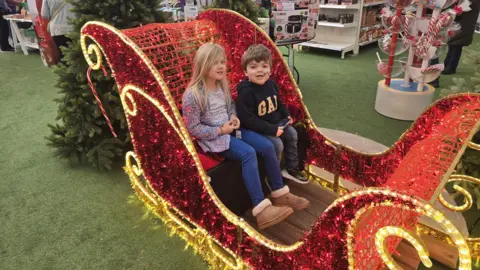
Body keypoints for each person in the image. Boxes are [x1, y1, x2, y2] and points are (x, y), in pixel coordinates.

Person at [182, 43, 309, 230]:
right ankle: (261, 209)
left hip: (232, 130)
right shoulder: (192, 95)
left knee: (266, 146)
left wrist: (233, 117)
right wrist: (219, 131)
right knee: (248, 153)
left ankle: (279, 192)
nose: (220, 66)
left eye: (222, 62)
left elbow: (231, 106)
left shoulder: (221, 86)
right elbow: (193, 128)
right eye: (214, 62)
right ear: (202, 65)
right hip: (216, 139)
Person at [236, 44, 309, 184]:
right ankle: (272, 175)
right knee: (277, 145)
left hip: (274, 124)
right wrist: (272, 130)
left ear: (270, 68)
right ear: (245, 72)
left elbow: (278, 104)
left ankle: (291, 168)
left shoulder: (271, 84)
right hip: (258, 128)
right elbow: (248, 120)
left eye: (264, 66)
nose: (260, 71)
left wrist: (286, 115)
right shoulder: (246, 92)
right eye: (253, 67)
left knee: (292, 134)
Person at [443, 0, 480, 74]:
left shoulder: (472, 1)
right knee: (453, 45)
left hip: (464, 26)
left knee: (456, 46)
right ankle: (447, 65)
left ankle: (450, 68)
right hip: (461, 25)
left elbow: (460, 10)